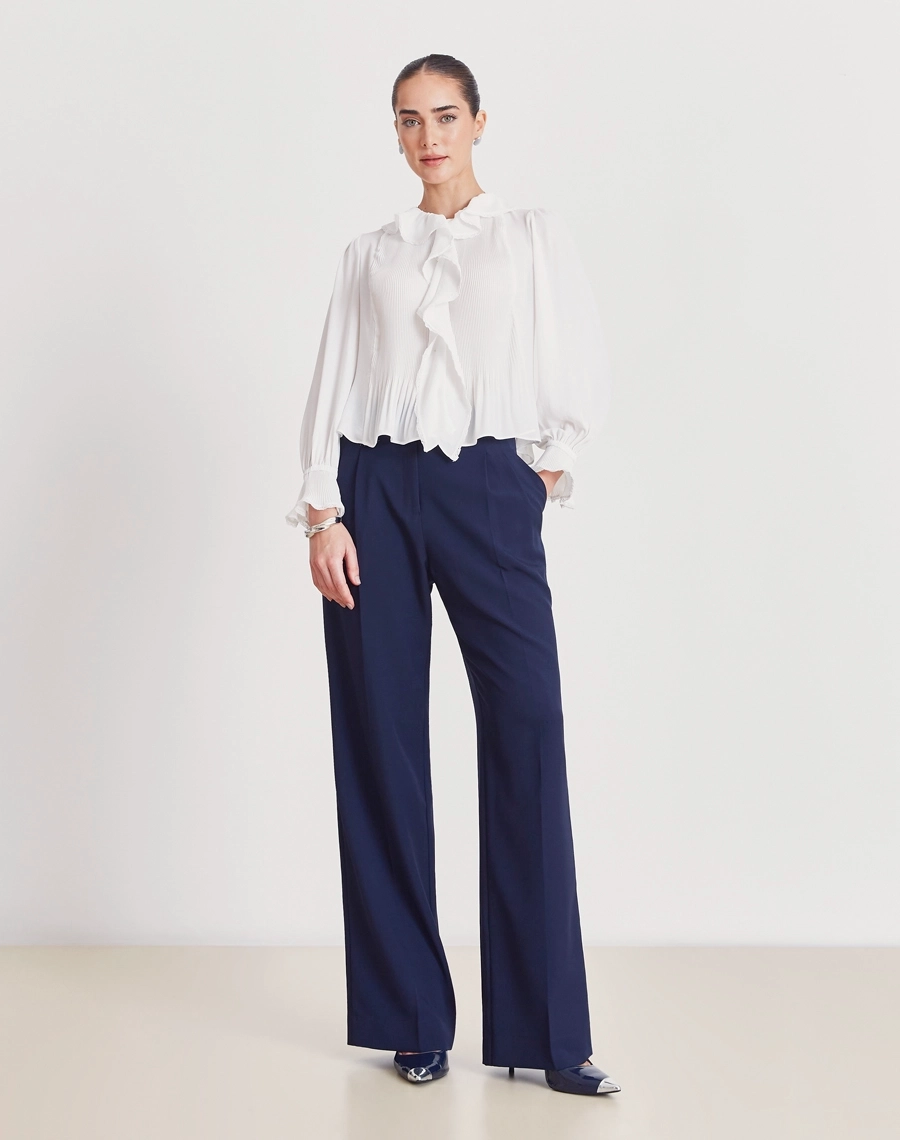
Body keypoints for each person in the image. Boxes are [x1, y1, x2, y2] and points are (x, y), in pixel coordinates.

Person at [285, 53, 620, 1098]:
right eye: (407, 120)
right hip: (374, 491)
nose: (427, 137)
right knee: (380, 742)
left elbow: (576, 359)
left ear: (479, 121)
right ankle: (410, 1020)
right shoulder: (369, 254)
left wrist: (544, 470)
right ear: (395, 133)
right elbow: (334, 377)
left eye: (443, 116)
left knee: (527, 728)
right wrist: (323, 511)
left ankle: (549, 1036)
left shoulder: (531, 238)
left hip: (487, 487)